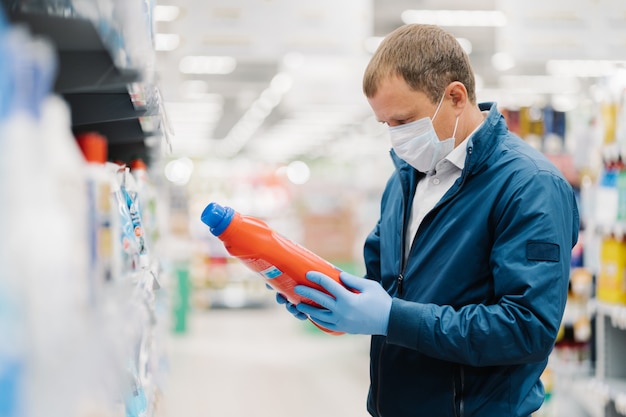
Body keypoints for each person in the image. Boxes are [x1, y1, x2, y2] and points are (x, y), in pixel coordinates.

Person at [276, 24, 579, 417]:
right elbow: (382, 284)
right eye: (386, 125)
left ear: (455, 96)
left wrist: (391, 317)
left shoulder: (529, 186)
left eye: (403, 122)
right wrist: (328, 300)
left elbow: (526, 328)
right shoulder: (404, 178)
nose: (396, 139)